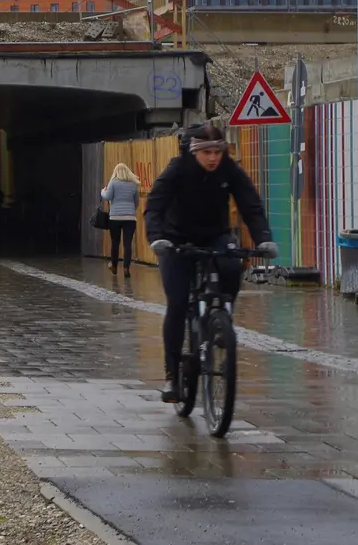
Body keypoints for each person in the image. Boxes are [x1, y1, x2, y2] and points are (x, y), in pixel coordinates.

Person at [144, 119, 276, 404]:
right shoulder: (177, 170)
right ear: (194, 152)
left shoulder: (229, 168)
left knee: (231, 265)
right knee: (178, 303)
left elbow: (250, 204)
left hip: (215, 235)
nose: (214, 158)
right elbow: (154, 205)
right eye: (207, 153)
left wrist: (263, 238)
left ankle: (221, 319)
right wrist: (157, 239)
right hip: (176, 240)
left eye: (218, 151)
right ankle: (172, 375)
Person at [100, 163, 141, 277]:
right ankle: (126, 268)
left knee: (115, 243)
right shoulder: (133, 184)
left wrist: (102, 191)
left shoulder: (113, 182)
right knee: (127, 243)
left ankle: (114, 266)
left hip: (115, 217)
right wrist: (130, 211)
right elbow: (136, 202)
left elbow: (107, 197)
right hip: (130, 218)